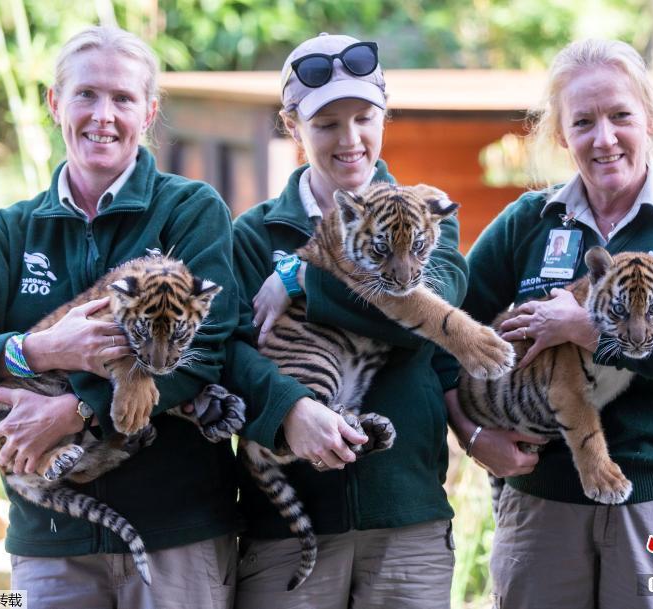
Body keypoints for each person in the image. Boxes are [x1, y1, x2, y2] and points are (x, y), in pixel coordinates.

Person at [0, 26, 239, 609]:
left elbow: (209, 349)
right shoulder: (13, 230)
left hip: (174, 536)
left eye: (123, 99)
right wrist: (38, 352)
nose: (102, 116)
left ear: (150, 112)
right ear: (55, 102)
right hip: (50, 544)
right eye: (86, 94)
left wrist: (76, 407)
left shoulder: (187, 210)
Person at [446, 39, 653, 608]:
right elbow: (444, 329)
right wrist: (473, 434)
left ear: (651, 122)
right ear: (562, 135)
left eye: (620, 116)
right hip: (542, 504)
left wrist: (587, 330)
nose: (603, 138)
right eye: (583, 121)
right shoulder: (528, 223)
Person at [224, 33, 463, 609]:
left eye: (363, 117)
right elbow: (228, 354)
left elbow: (429, 311)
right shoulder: (254, 235)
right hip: (287, 532)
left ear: (385, 116)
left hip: (407, 524)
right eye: (326, 123)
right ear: (292, 126)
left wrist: (301, 278)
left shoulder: (429, 212)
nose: (349, 139)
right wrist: (290, 411)